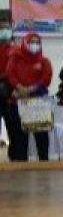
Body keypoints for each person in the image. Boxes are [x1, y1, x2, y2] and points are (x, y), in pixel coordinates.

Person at [5, 33, 54, 162]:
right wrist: (20, 88)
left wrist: (31, 89)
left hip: (39, 102)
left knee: (42, 135)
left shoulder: (44, 61)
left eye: (37, 42)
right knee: (20, 135)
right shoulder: (15, 58)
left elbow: (46, 78)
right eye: (32, 41)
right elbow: (10, 74)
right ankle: (22, 163)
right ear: (25, 43)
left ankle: (44, 162)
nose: (35, 45)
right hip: (18, 101)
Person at [0, 18, 18, 160]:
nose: (4, 31)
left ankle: (14, 157)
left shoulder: (16, 50)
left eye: (7, 28)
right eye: (1, 28)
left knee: (13, 126)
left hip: (11, 93)